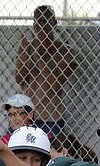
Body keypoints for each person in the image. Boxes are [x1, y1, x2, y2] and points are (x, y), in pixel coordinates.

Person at [14, 5, 77, 137]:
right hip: (25, 113)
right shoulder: (28, 47)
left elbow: (55, 85)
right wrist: (25, 53)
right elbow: (20, 79)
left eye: (46, 21)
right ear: (34, 25)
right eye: (39, 21)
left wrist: (39, 59)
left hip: (50, 116)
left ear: (54, 23)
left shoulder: (65, 51)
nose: (42, 25)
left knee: (49, 153)